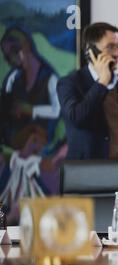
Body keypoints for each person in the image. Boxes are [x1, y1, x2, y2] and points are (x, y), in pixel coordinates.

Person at [57, 22, 118, 192]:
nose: (116, 53)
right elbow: (77, 118)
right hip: (86, 182)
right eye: (110, 47)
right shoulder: (69, 83)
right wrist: (101, 83)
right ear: (91, 51)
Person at [0, 27, 67, 223]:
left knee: (26, 160)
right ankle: (11, 212)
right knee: (17, 160)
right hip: (19, 139)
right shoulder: (13, 78)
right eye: (6, 56)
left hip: (44, 140)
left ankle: (19, 212)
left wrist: (31, 110)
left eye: (14, 52)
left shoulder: (50, 79)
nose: (10, 59)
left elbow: (56, 110)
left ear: (27, 47)